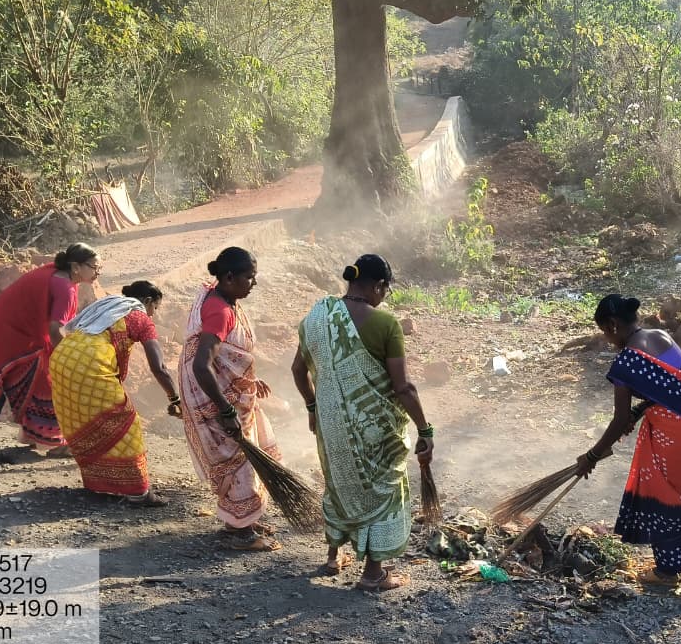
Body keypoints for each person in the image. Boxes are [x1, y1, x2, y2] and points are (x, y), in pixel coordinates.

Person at [291, 254, 434, 592]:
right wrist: (425, 429)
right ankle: (372, 574)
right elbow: (403, 387)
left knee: (339, 481)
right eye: (385, 289)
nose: (384, 296)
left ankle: (332, 556)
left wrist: (313, 406)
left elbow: (298, 370)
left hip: (330, 423)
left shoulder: (316, 319)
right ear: (378, 286)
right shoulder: (386, 325)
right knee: (382, 490)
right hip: (376, 430)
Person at [574, 294, 681, 586]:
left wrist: (592, 456)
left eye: (605, 334)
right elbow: (679, 383)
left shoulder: (626, 363)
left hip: (677, 436)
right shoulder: (661, 335)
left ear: (611, 325)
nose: (608, 341)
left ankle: (667, 572)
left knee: (667, 495)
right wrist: (640, 409)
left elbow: (619, 420)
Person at [179, 247, 283, 551]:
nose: (254, 283)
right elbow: (203, 364)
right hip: (212, 395)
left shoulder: (222, 298)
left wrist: (246, 379)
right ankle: (241, 533)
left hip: (226, 389)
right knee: (239, 457)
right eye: (249, 278)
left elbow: (227, 356)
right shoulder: (221, 311)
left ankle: (240, 520)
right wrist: (225, 408)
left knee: (244, 452)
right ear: (228, 277)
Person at [49, 281, 180, 507]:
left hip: (62, 359)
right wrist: (175, 398)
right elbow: (159, 367)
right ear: (147, 301)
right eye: (155, 309)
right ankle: (139, 493)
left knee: (89, 420)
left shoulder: (108, 307)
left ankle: (100, 484)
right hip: (91, 366)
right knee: (126, 423)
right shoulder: (139, 316)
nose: (153, 315)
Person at [0, 243, 101, 456]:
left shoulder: (58, 275)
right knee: (49, 382)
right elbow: (55, 329)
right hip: (16, 334)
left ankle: (31, 435)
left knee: (40, 376)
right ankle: (53, 443)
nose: (98, 272)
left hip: (6, 325)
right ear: (76, 267)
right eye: (94, 267)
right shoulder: (65, 288)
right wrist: (68, 358)